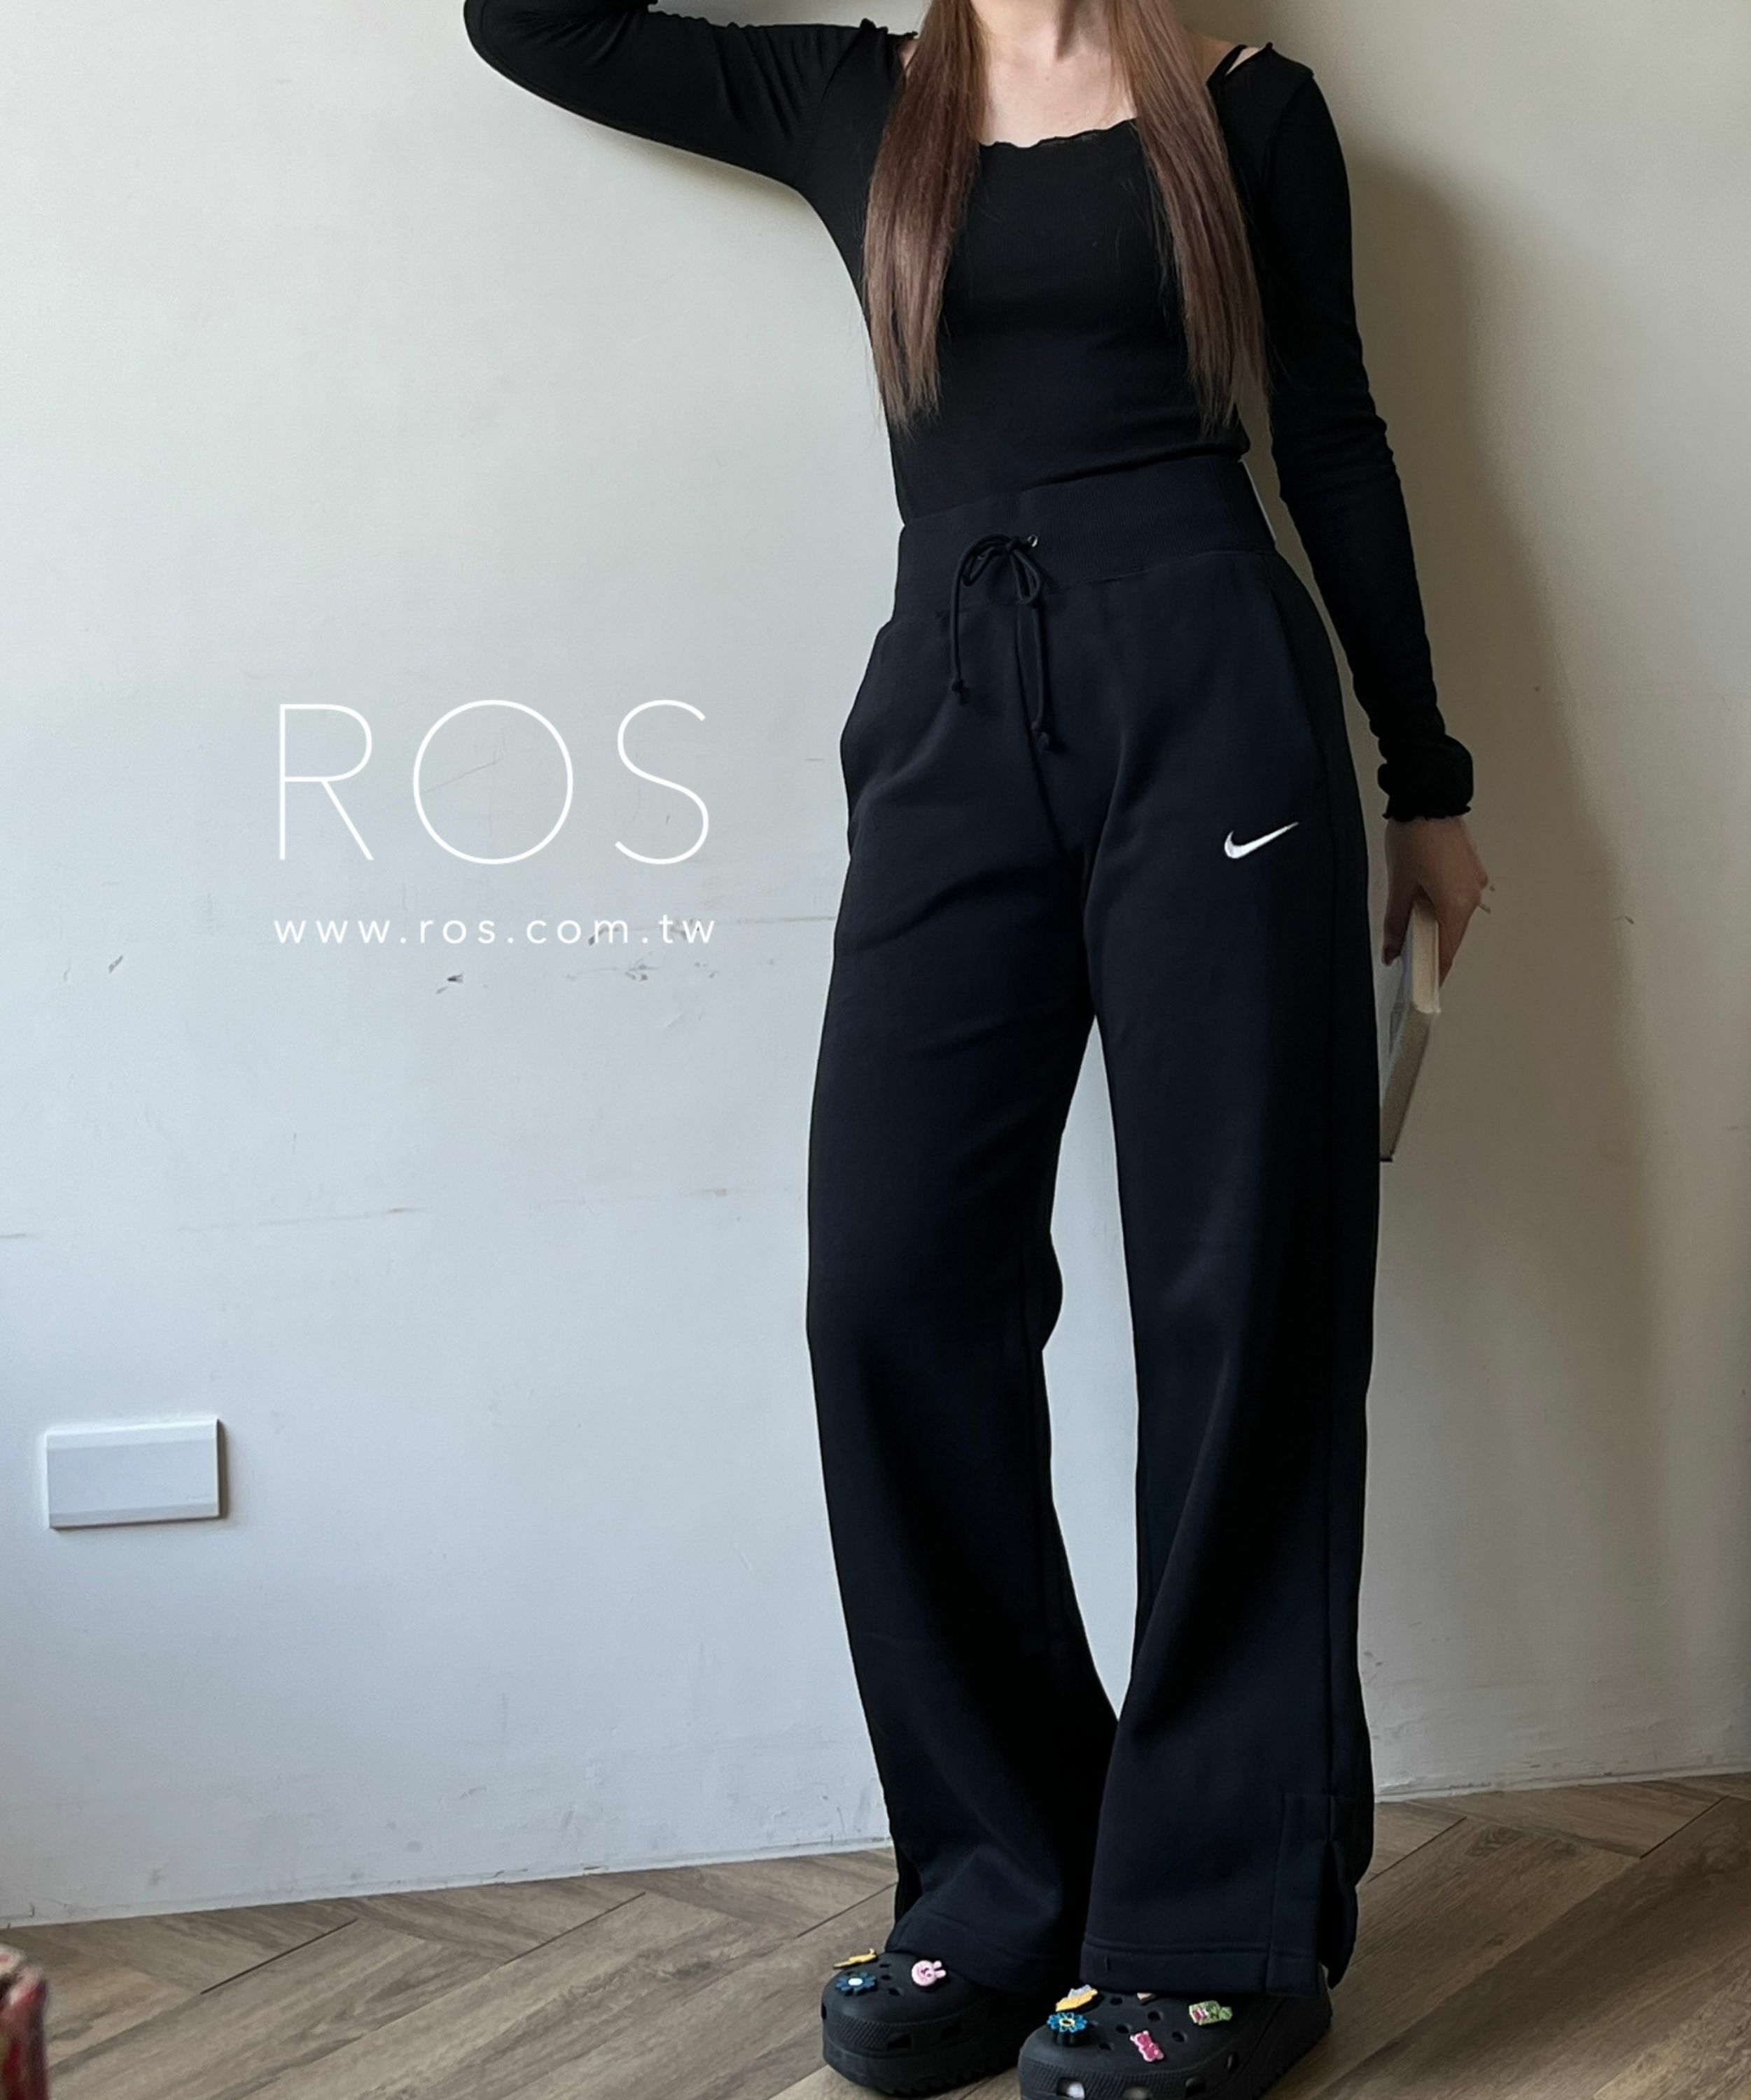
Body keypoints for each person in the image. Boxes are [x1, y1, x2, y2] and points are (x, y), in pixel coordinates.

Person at [463, 3, 1488, 2092]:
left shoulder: (1254, 115)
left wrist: (1429, 778)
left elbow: (1337, 437)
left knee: (1242, 1300)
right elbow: (525, 22)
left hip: (1217, 705)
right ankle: (1008, 1877)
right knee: (890, 1286)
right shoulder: (851, 95)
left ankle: (1223, 1922)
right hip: (946, 711)